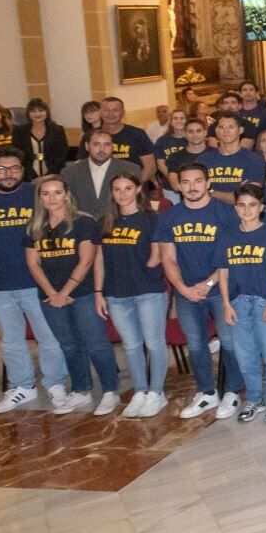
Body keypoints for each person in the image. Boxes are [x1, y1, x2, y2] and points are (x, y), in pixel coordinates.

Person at [0, 147, 74, 413]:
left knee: (50, 337)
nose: (8, 174)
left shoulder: (39, 196)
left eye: (14, 168)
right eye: (0, 168)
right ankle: (23, 386)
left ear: (23, 170)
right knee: (10, 339)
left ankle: (56, 384)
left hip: (39, 282)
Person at [26, 175, 116, 415]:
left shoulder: (84, 223)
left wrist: (64, 293)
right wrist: (52, 293)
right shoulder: (34, 226)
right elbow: (33, 264)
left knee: (96, 343)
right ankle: (81, 390)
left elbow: (86, 261)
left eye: (57, 192)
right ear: (40, 197)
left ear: (67, 195)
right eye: (46, 193)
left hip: (82, 294)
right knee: (69, 344)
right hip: (49, 297)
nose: (52, 198)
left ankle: (109, 391)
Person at [160, 163, 242, 420]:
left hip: (221, 289)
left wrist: (207, 284)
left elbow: (231, 256)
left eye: (197, 181)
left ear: (208, 183)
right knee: (195, 345)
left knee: (229, 342)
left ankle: (232, 391)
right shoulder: (170, 216)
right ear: (179, 185)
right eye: (186, 182)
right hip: (187, 293)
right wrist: (183, 289)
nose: (192, 187)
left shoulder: (226, 213)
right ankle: (207, 392)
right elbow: (168, 259)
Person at [96, 172, 169, 418]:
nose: (123, 194)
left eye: (128, 188)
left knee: (154, 342)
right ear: (112, 193)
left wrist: (150, 260)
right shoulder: (106, 221)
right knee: (131, 345)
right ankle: (140, 391)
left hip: (148, 291)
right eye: (117, 189)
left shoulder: (152, 219)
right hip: (116, 293)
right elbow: (99, 260)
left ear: (138, 189)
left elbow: (159, 254)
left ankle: (156, 393)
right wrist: (98, 291)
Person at [216, 184, 266, 423]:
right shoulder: (226, 235)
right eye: (242, 205)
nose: (247, 210)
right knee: (245, 357)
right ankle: (255, 399)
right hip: (238, 302)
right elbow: (223, 273)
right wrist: (226, 304)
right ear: (235, 208)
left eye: (252, 205)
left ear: (262, 208)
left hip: (265, 301)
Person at [63, 128, 141, 221]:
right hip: (80, 228)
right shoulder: (69, 172)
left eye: (107, 144)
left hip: (118, 226)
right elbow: (65, 205)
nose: (101, 149)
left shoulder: (131, 169)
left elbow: (139, 203)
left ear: (112, 147)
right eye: (96, 144)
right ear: (87, 146)